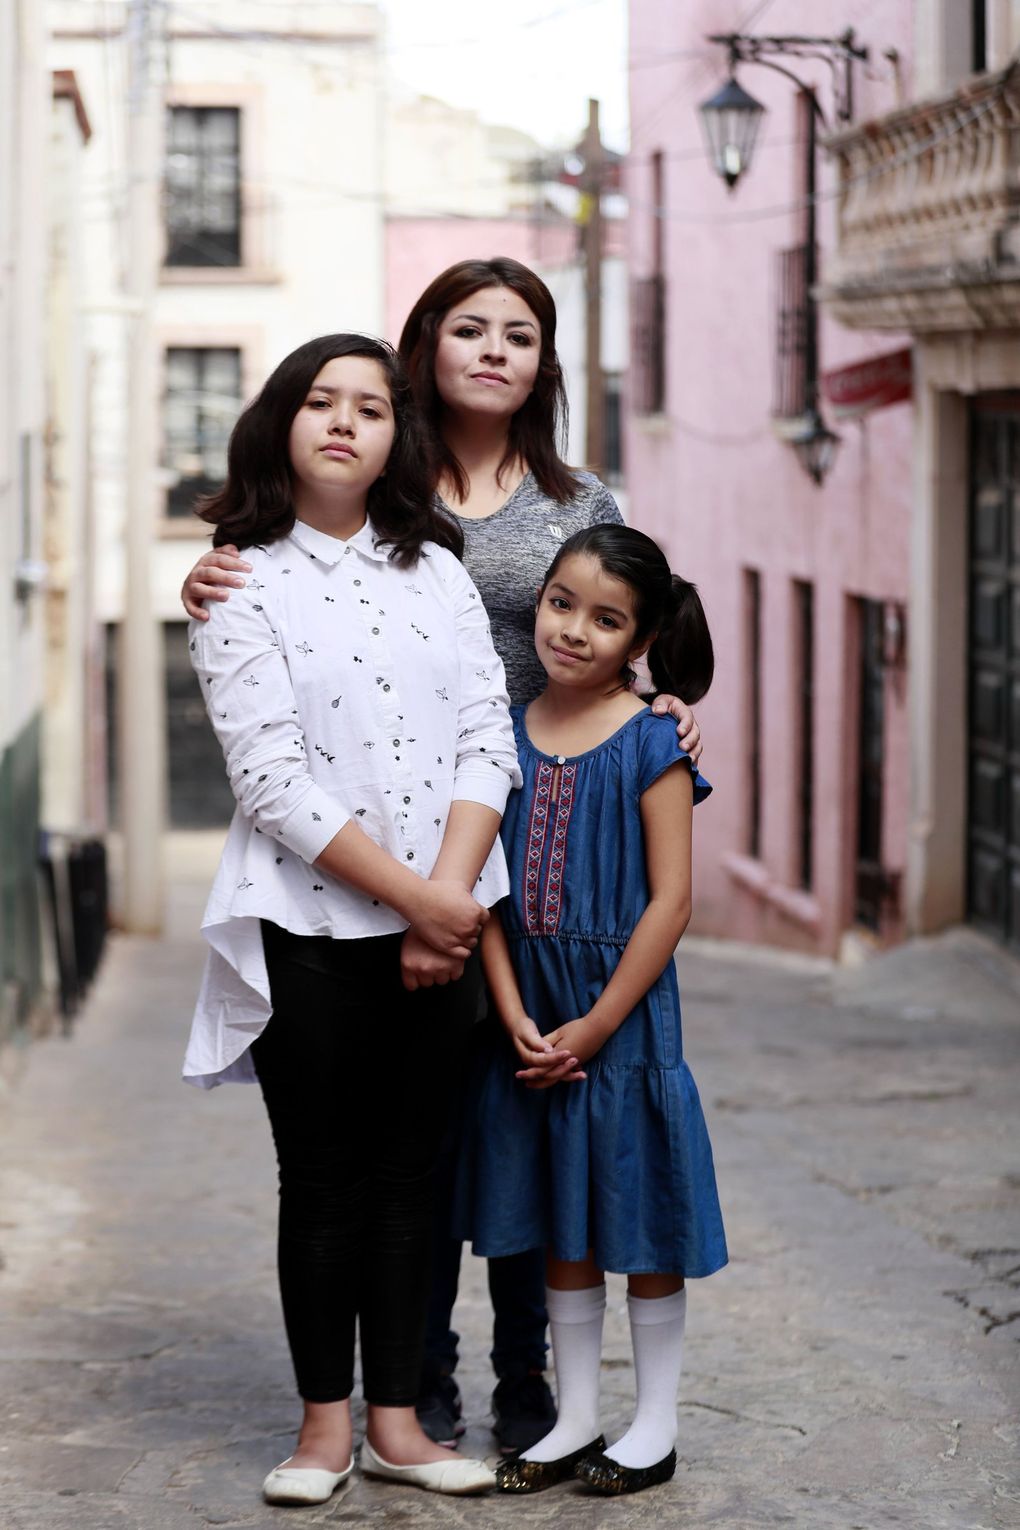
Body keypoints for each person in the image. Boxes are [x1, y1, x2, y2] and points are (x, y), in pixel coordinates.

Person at [180, 257, 705, 1453]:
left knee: (518, 1115)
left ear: (545, 361)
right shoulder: (388, 484)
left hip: (533, 847)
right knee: (385, 1149)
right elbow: (273, 630)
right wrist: (210, 569)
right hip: (403, 864)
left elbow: (637, 619)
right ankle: (413, 1381)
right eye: (467, 328)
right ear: (424, 347)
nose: (491, 351)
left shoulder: (572, 501)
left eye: (518, 334)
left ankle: (533, 1383)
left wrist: (672, 699)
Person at [183, 332, 522, 1503]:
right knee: (321, 1180)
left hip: (443, 931)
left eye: (370, 408)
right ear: (282, 422)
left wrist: (450, 906)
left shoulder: (439, 572)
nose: (343, 423)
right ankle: (323, 1428)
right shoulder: (239, 579)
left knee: (411, 1179)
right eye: (319, 403)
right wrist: (430, 903)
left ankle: (399, 1426)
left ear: (397, 436)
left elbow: (491, 734)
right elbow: (270, 779)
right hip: (311, 928)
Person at [456, 523, 728, 1497]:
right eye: (561, 603)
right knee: (562, 1221)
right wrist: (511, 1012)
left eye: (606, 619)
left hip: (622, 1020)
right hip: (532, 1022)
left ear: (640, 637)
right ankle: (573, 1415)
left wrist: (602, 1023)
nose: (573, 630)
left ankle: (653, 1424)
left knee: (640, 1216)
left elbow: (672, 899)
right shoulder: (504, 731)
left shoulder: (653, 738)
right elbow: (481, 888)